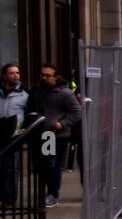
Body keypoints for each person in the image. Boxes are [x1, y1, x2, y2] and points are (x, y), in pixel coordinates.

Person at [27, 63, 81, 208]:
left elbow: (77, 112)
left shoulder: (64, 93)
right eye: (42, 75)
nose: (44, 78)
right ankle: (47, 191)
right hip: (40, 133)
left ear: (56, 77)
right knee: (42, 164)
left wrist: (62, 124)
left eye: (48, 75)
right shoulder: (37, 91)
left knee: (52, 163)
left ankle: (53, 193)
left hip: (54, 135)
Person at [0, 63, 28, 205]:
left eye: (17, 72)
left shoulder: (24, 93)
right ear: (4, 76)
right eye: (11, 73)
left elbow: (30, 115)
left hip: (14, 136)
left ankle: (10, 199)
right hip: (0, 134)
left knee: (11, 169)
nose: (15, 75)